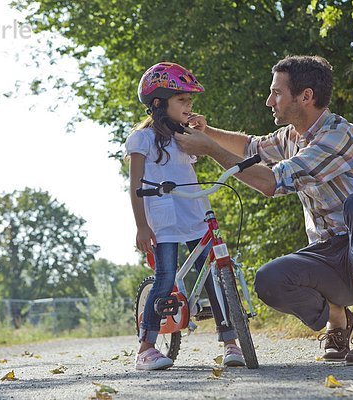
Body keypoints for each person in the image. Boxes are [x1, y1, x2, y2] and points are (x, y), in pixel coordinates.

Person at [174, 55, 353, 365]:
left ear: (305, 96)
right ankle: (337, 318)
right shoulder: (291, 137)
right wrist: (209, 132)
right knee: (269, 279)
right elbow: (250, 148)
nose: (270, 100)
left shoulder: (337, 136)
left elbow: (272, 182)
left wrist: (209, 149)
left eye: (277, 92)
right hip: (328, 256)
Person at [125, 62, 246, 371]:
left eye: (190, 101)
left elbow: (206, 152)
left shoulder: (185, 137)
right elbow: (135, 185)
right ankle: (146, 347)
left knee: (213, 277)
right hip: (164, 221)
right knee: (166, 278)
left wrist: (203, 133)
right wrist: (141, 226)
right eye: (182, 100)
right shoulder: (142, 140)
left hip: (194, 214)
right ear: (158, 103)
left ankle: (231, 341)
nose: (189, 106)